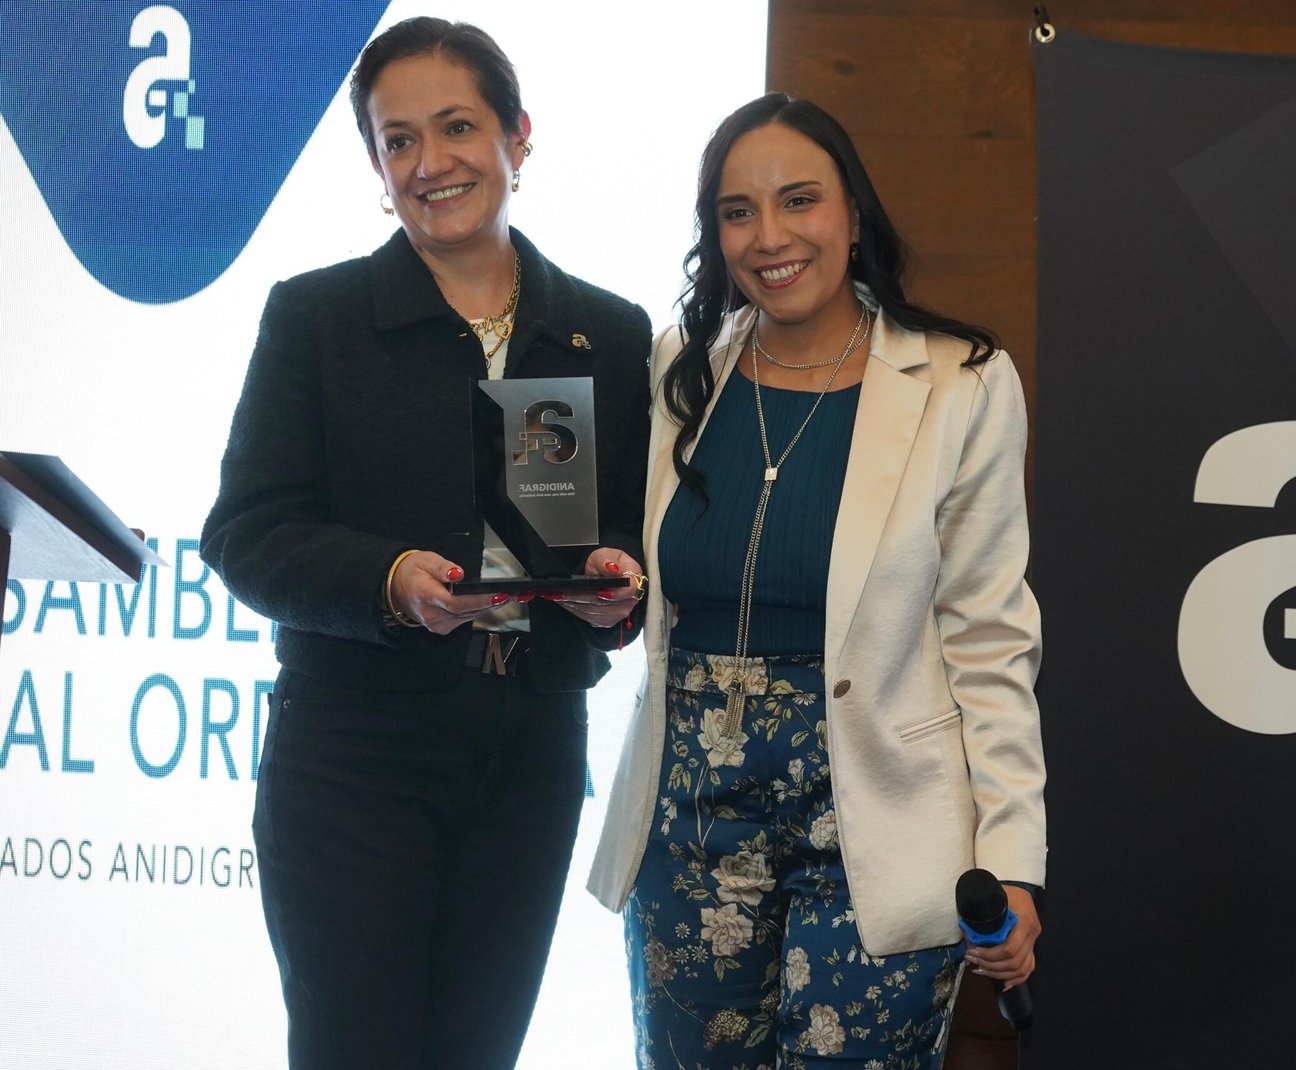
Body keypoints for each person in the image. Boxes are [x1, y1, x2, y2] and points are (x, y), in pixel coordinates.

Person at [200, 17, 649, 1070]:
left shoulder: (608, 331)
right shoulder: (317, 318)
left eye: (456, 127)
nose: (429, 162)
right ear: (376, 165)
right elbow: (246, 532)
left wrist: (613, 588)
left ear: (517, 138)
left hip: (530, 756)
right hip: (355, 757)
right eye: (397, 140)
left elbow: (627, 534)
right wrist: (390, 580)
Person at [588, 93, 1045, 1068]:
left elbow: (991, 638)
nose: (770, 236)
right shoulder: (679, 370)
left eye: (799, 199)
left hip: (879, 819)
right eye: (737, 210)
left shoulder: (961, 382)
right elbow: (641, 580)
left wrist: (1011, 857)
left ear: (854, 213)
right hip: (688, 818)